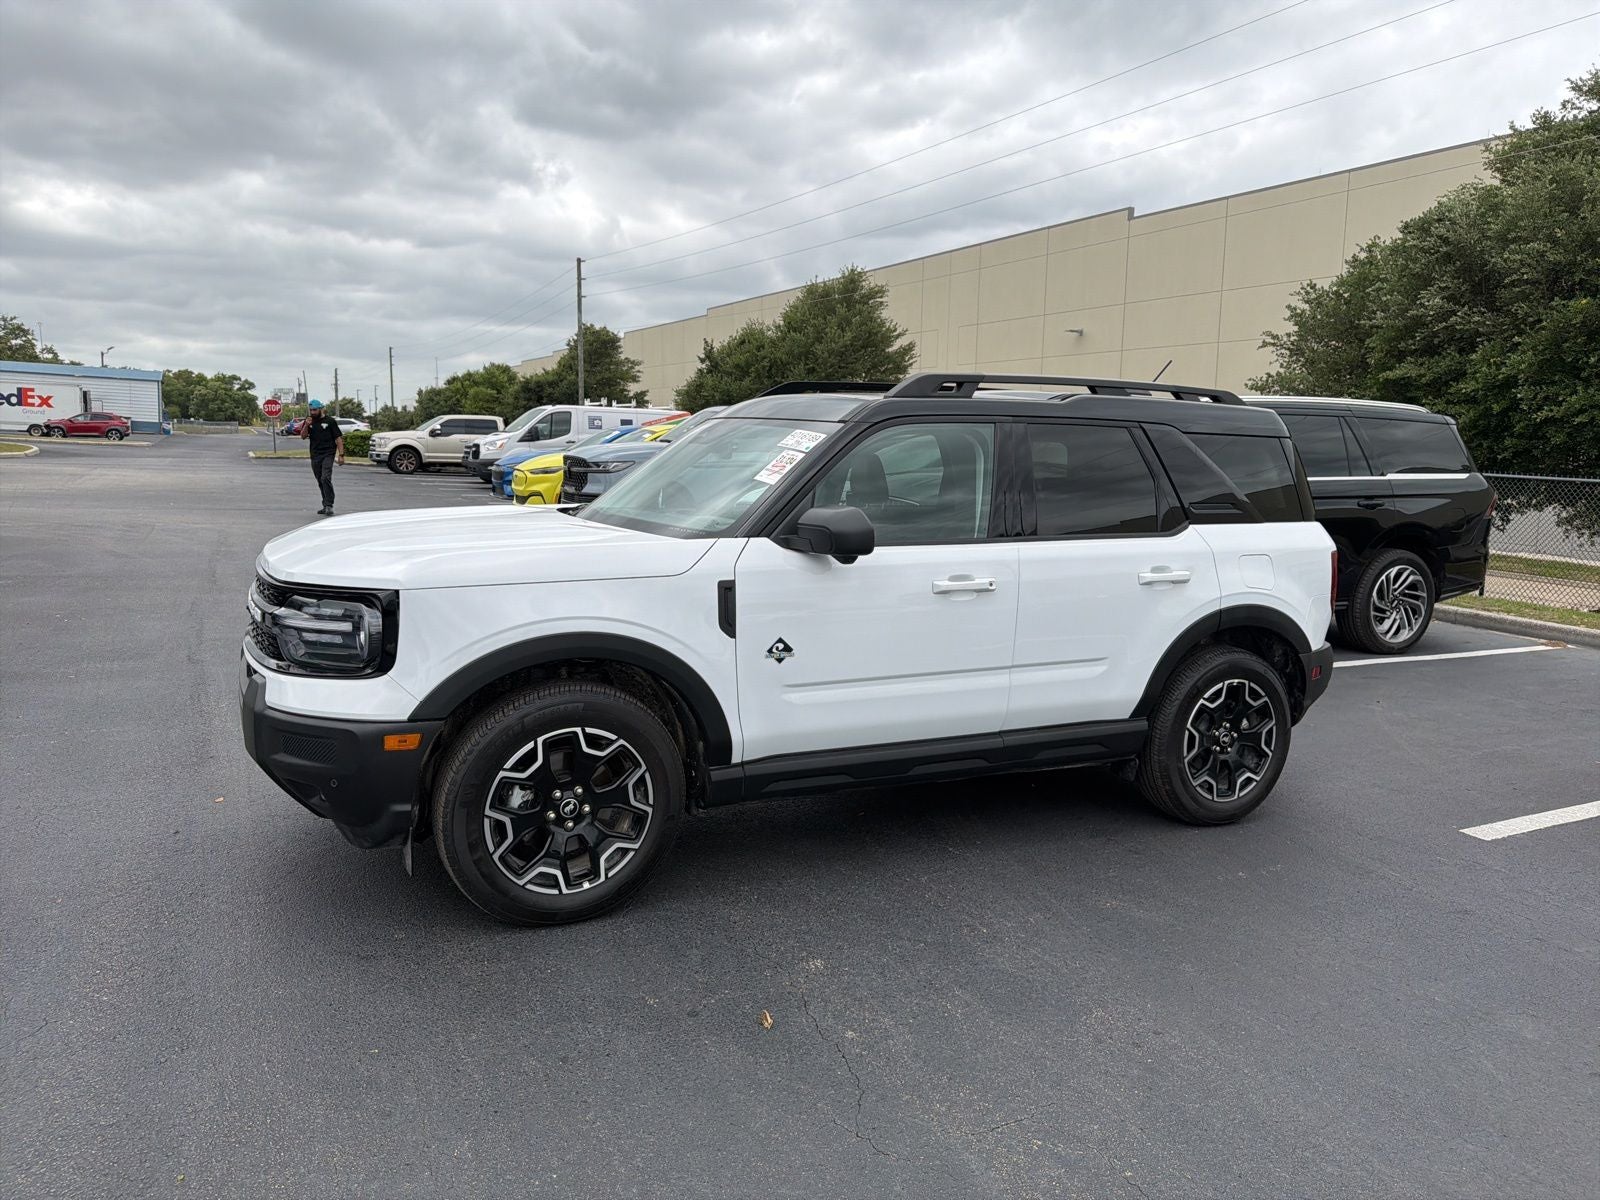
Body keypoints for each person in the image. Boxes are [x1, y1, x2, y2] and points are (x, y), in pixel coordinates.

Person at [299, 400, 344, 515]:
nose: (313, 412)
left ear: (321, 409)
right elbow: (303, 436)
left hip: (328, 453)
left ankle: (329, 505)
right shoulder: (309, 421)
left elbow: (338, 438)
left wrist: (341, 455)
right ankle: (325, 504)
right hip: (315, 455)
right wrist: (306, 425)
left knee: (325, 478)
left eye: (315, 410)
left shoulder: (330, 421)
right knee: (320, 480)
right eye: (311, 410)